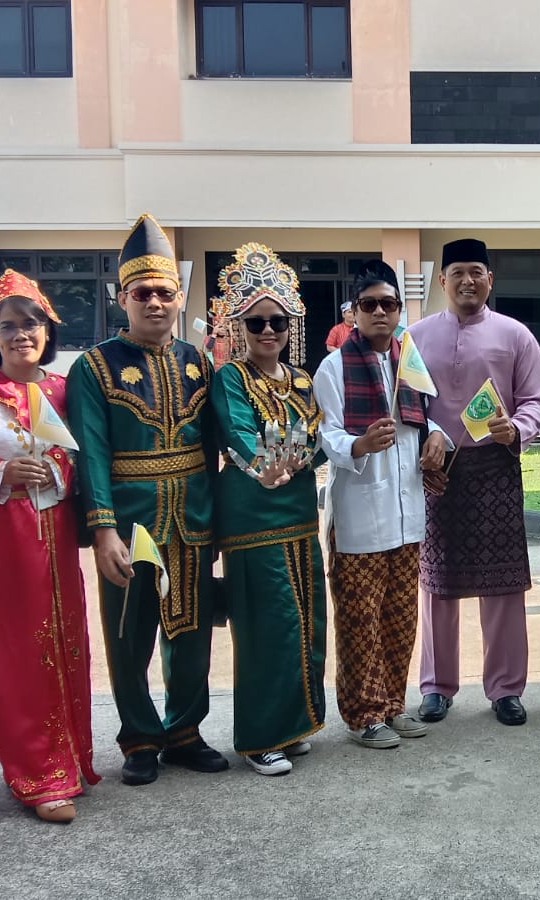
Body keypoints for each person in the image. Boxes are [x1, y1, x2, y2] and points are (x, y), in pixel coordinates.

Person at [67, 213, 228, 785]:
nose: (155, 303)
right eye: (142, 293)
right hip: (129, 525)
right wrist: (102, 529)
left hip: (193, 519)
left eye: (165, 292)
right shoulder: (93, 367)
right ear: (122, 298)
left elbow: (216, 447)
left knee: (191, 634)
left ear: (180, 297)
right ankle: (139, 738)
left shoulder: (200, 362)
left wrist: (221, 521)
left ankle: (184, 732)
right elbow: (90, 452)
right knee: (128, 635)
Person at [0, 269, 98, 821]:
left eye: (32, 323)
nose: (21, 334)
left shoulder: (63, 391)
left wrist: (59, 466)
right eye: (8, 325)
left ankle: (72, 760)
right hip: (0, 540)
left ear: (47, 331)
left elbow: (87, 456)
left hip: (56, 537)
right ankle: (35, 775)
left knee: (66, 644)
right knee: (15, 653)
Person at [408, 238, 540, 727]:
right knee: (436, 582)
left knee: (504, 585)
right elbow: (407, 402)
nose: (467, 281)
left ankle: (506, 689)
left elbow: (536, 400)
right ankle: (436, 686)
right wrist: (428, 431)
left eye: (476, 272)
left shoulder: (516, 335)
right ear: (442, 280)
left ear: (490, 279)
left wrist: (518, 428)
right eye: (458, 273)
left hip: (495, 465)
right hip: (437, 469)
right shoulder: (415, 337)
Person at [209, 243, 329, 774]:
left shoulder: (301, 378)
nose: (267, 331)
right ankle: (261, 738)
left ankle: (292, 724)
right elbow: (237, 431)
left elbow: (318, 434)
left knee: (305, 622)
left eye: (277, 321)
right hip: (253, 518)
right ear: (240, 327)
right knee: (267, 626)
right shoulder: (231, 377)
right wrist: (264, 466)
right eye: (255, 322)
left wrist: (306, 456)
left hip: (299, 515)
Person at [315, 260, 444, 749]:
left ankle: (392, 704)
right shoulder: (334, 368)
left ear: (399, 309)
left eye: (388, 304)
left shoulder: (409, 362)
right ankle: (363, 715)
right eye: (369, 304)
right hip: (360, 519)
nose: (379, 312)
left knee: (400, 619)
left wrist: (437, 435)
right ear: (354, 311)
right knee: (359, 622)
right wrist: (359, 444)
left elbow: (426, 415)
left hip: (407, 515)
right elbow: (327, 433)